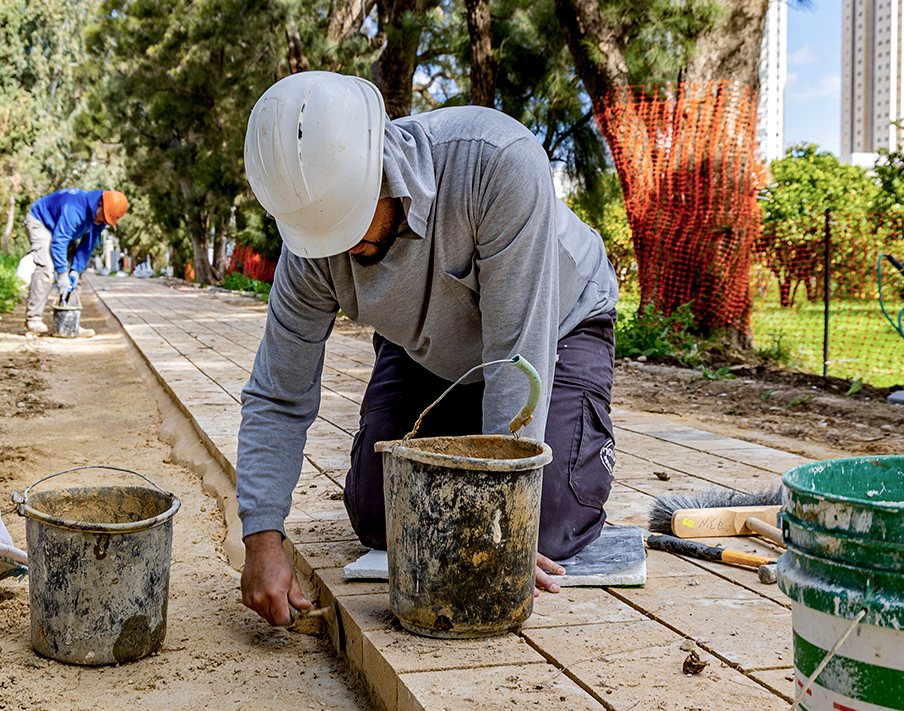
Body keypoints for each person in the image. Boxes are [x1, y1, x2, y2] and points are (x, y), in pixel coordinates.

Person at [231, 71, 625, 629]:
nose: (342, 249)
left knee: (542, 523)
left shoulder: (495, 163)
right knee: (381, 514)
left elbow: (517, 354)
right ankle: (464, 442)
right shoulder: (311, 248)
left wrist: (498, 524)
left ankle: (556, 460)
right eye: (325, 237)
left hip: (554, 328)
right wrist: (261, 539)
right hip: (428, 349)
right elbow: (278, 393)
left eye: (351, 222)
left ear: (380, 162)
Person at [21, 188, 130, 329]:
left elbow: (87, 245)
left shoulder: (101, 218)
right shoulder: (75, 208)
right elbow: (59, 241)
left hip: (64, 231)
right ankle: (33, 318)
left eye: (107, 220)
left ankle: (69, 324)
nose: (103, 221)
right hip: (42, 223)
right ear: (99, 204)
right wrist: (62, 274)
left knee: (75, 275)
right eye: (104, 217)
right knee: (46, 267)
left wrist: (75, 271)